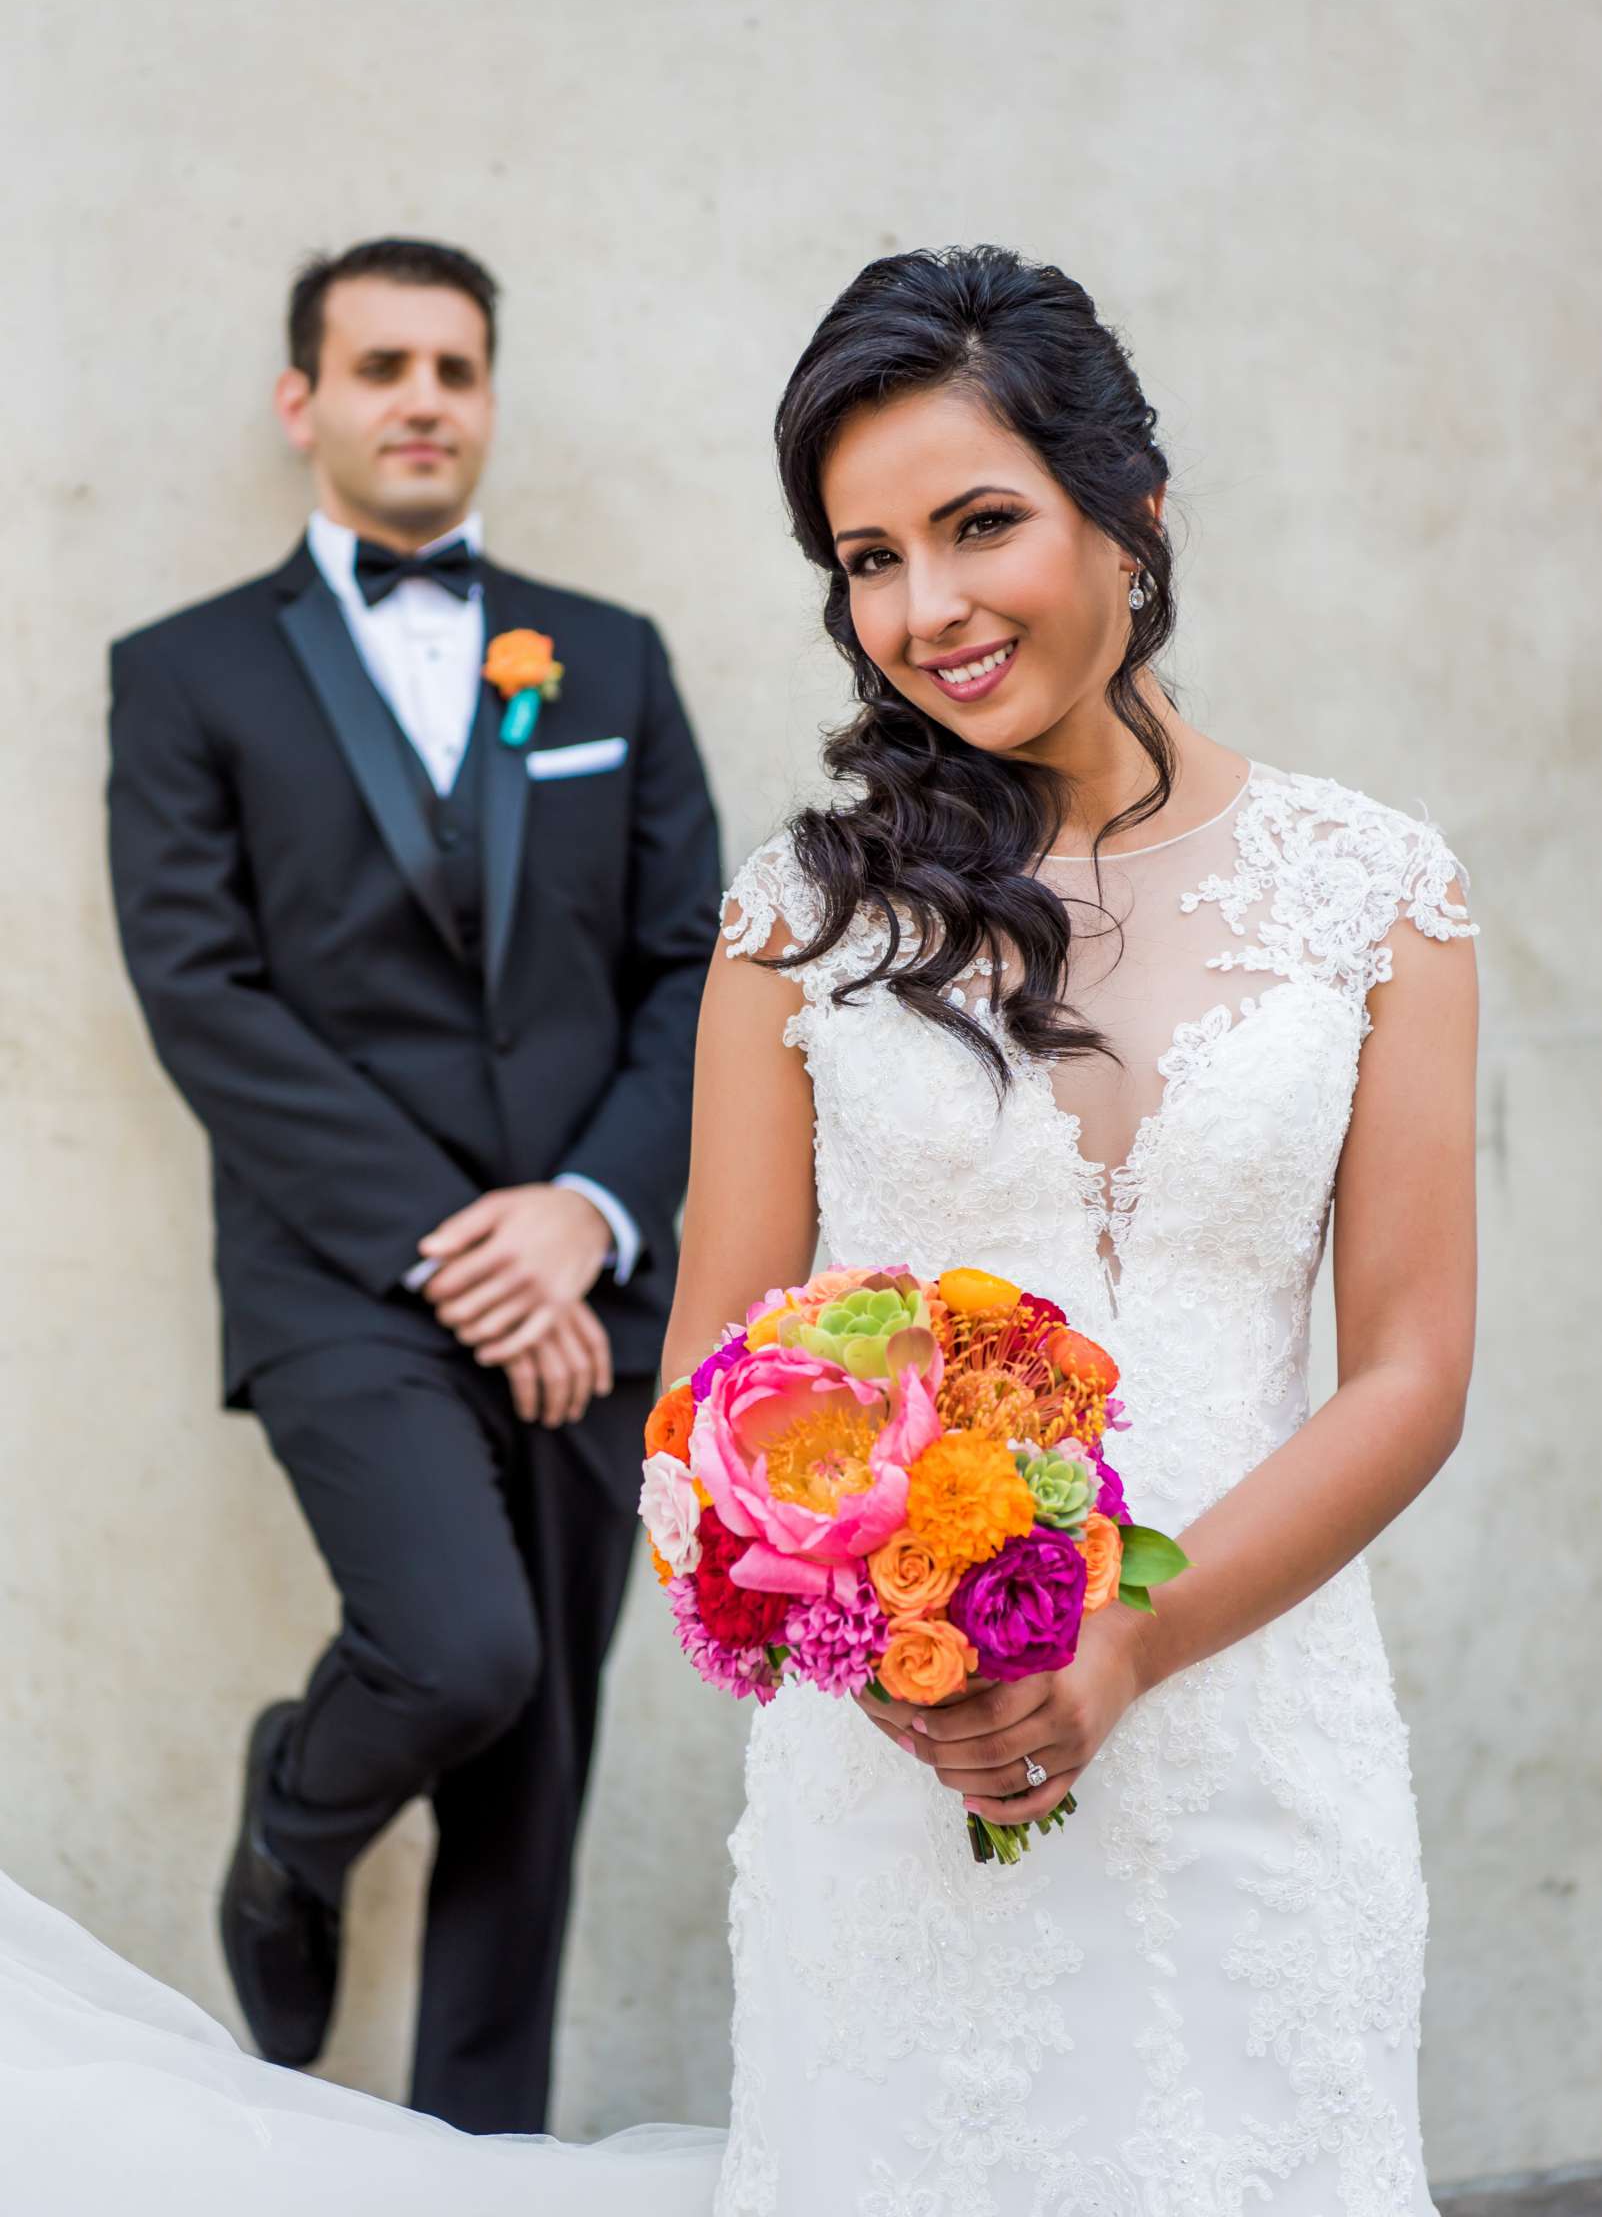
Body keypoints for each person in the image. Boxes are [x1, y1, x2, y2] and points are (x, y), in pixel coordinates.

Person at [5, 244, 1475, 2214]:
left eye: (978, 527)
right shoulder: (805, 920)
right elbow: (709, 1381)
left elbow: (1410, 1371)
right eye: (868, 558)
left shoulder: (1379, 891)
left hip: (1265, 1755)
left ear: (1130, 508)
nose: (925, 610)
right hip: (906, 1766)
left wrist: (1132, 1639)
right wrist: (866, 1626)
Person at [103, 236, 723, 2135]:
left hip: (590, 1281)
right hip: (339, 1279)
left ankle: (481, 2169)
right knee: (457, 1652)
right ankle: (299, 1817)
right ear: (306, 401)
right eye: (381, 365)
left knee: (533, 1785)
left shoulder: (604, 654)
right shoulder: (183, 673)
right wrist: (469, 1247)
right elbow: (197, 990)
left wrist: (591, 1216)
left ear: (488, 397)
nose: (423, 398)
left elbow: (703, 963)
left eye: (455, 365)